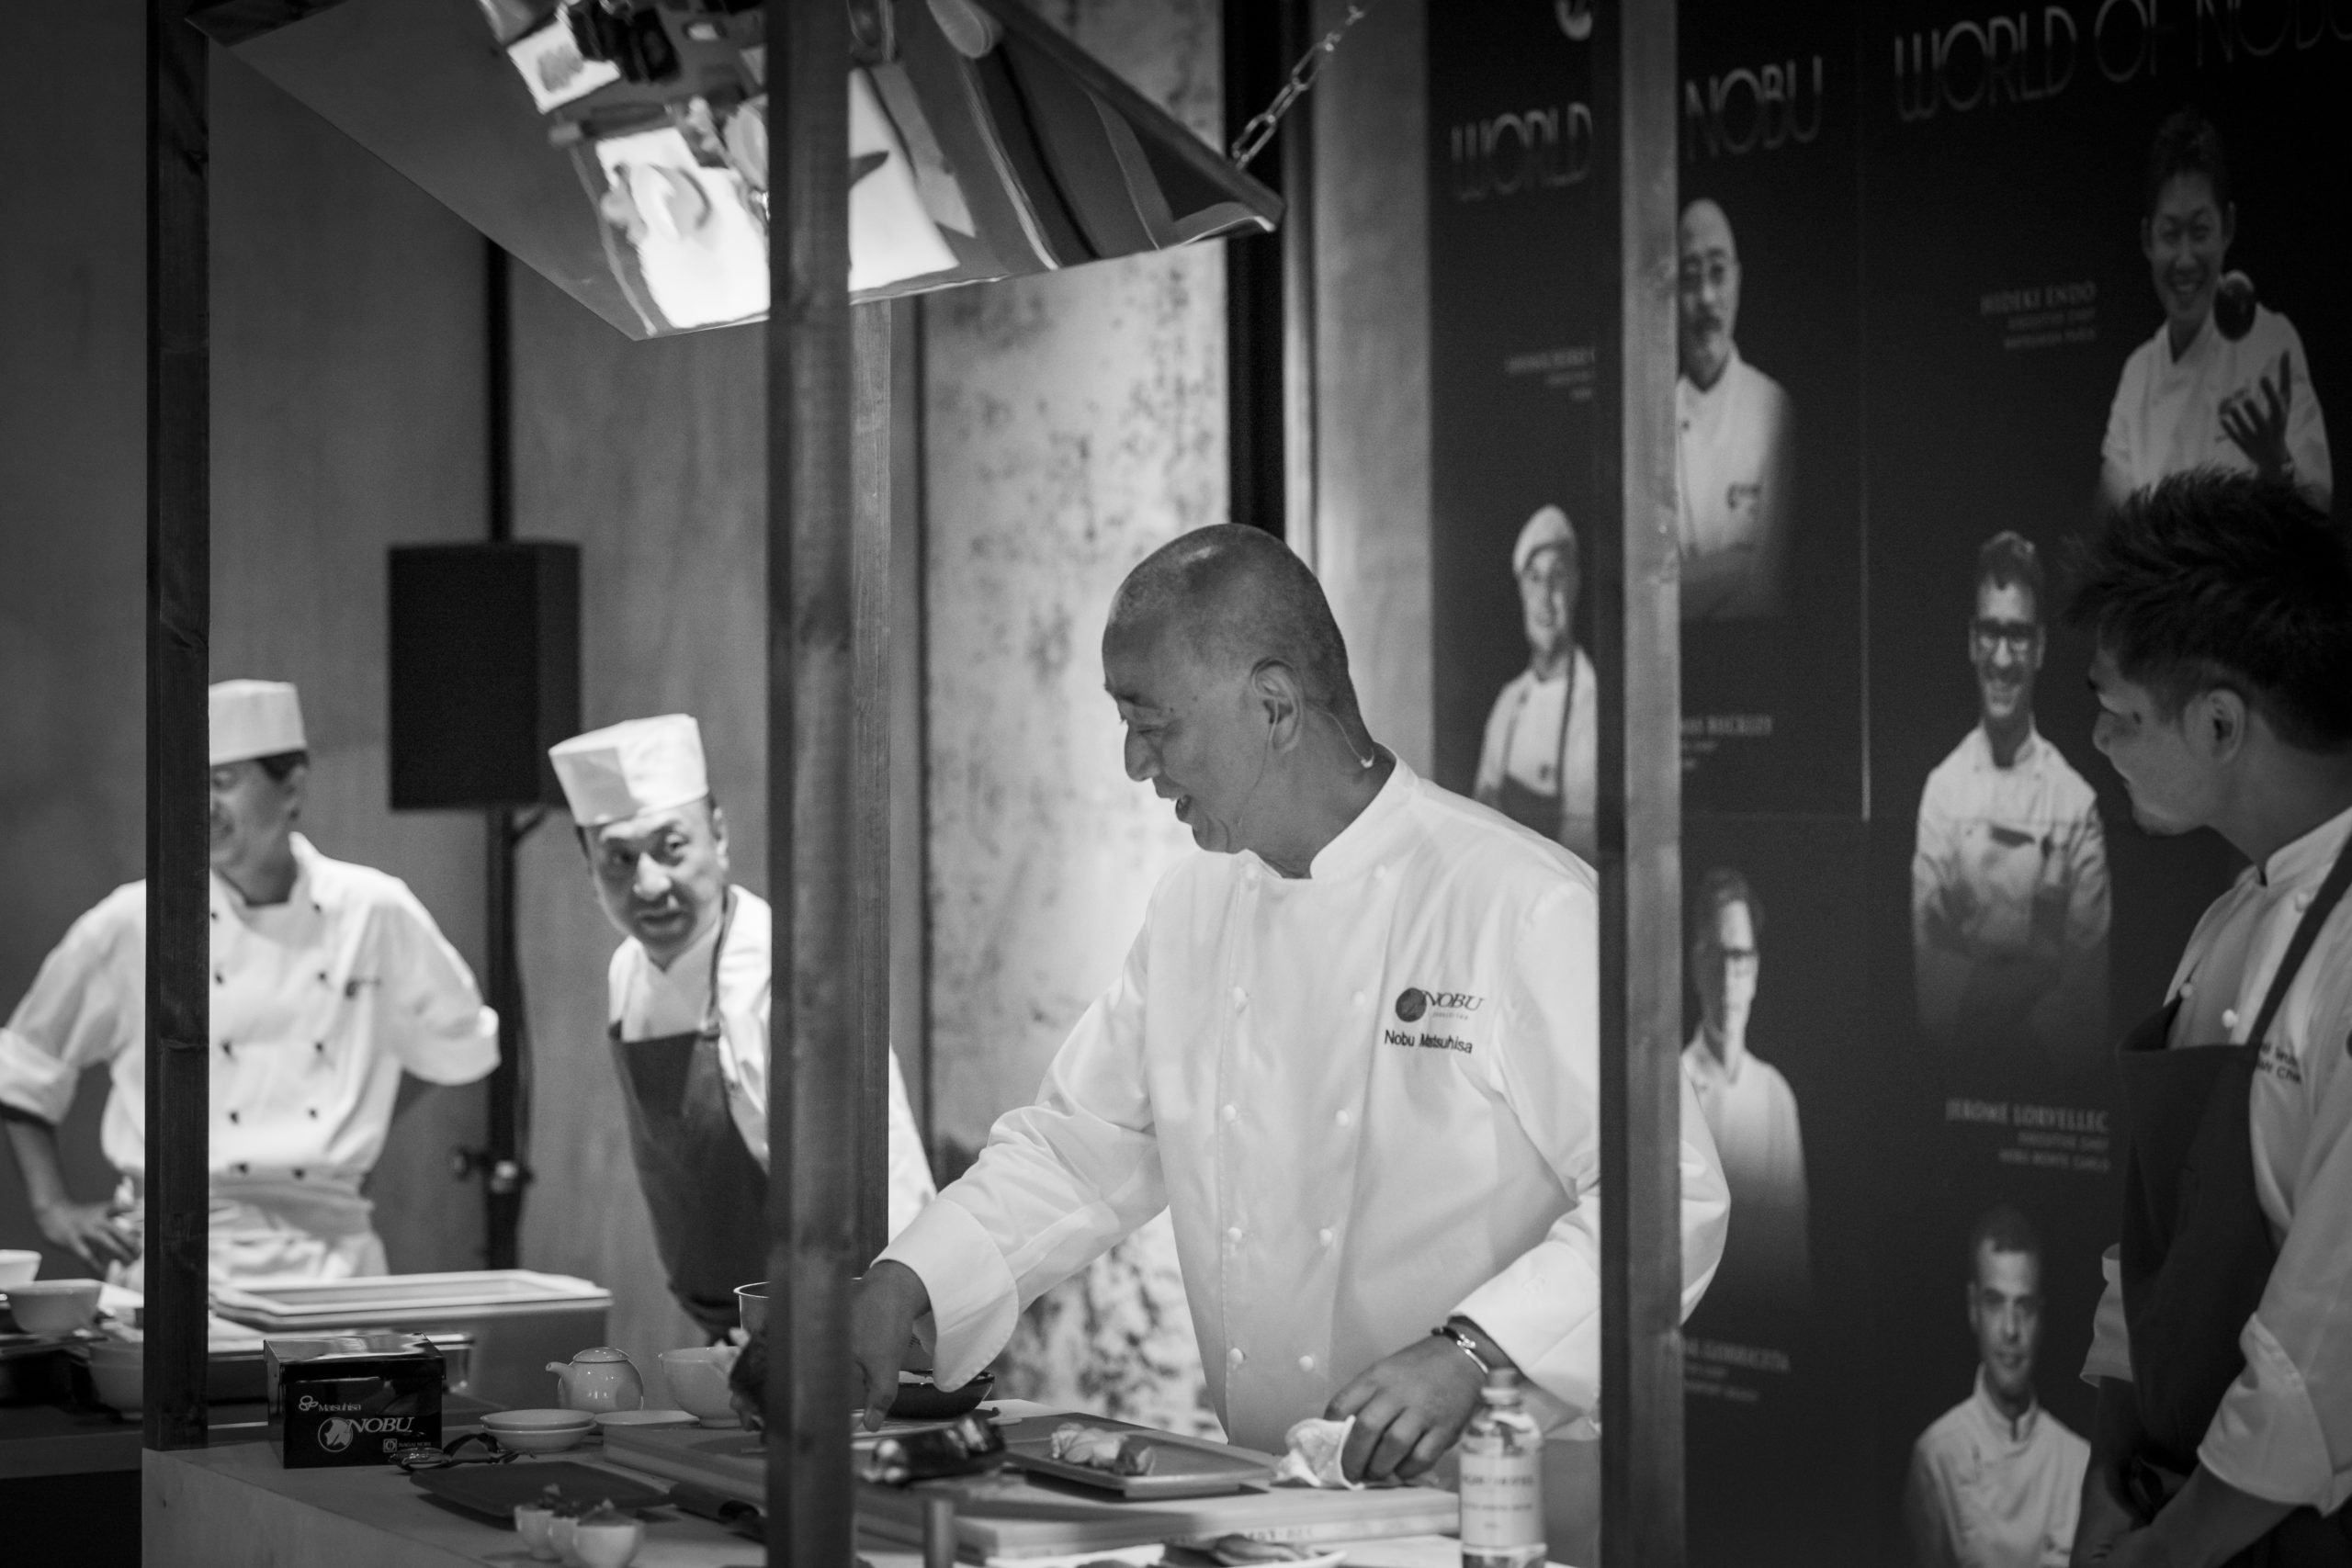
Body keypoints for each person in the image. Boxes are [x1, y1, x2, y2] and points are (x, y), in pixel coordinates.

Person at [846, 525, 1729, 1506]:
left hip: (1495, 1504)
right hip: (1277, 1501)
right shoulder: (1193, 907)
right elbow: (1076, 1151)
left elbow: (1665, 1199)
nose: (1135, 762)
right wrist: (903, 1285)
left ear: (1272, 705)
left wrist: (1477, 1352)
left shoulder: (1521, 903)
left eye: (1152, 722)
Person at [2065, 470, 2352, 1566]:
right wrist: (2107, 1472)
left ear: (2222, 722)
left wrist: (2171, 1548)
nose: (2096, 737)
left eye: (2120, 711)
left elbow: (2323, 1341)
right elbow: (2155, 1246)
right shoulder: (2230, 914)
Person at [0, 680, 498, 1285]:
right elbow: (23, 1067)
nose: (201, 802)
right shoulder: (135, 921)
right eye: (191, 781)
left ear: (292, 788)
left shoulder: (373, 910)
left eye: (223, 780)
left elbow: (459, 1041)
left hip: (332, 1261)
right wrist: (53, 1208)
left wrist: (356, 1117)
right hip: (172, 1254)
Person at [549, 714, 934, 1339]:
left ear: (719, 837)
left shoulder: (787, 977)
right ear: (589, 869)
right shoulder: (626, 968)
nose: (648, 884)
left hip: (830, 1330)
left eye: (670, 847)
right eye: (618, 858)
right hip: (724, 1330)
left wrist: (896, 1324)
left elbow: (885, 1178)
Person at [1913, 532, 2109, 1071]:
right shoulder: (1942, 792)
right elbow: (1931, 1001)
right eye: (1992, 633)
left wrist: (1973, 984)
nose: (2002, 658)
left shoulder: (2075, 805)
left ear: (2041, 647)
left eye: (2018, 636)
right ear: (1972, 641)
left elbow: (2085, 1014)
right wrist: (2041, 971)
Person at [2099, 109, 2331, 514]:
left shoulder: (2271, 342)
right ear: (2147, 240)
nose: (2185, 259)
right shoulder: (2137, 374)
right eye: (2170, 234)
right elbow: (2113, 523)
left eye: (2200, 231)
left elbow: (2317, 507)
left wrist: (2276, 465)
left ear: (2228, 228)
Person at [1905, 1205, 2090, 1568]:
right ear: (1973, 1309)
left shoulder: (2079, 1463)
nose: (2010, 1329)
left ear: (2041, 1317)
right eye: (1994, 1303)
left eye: (2024, 1306)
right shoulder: (1936, 1458)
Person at [1680, 866, 1808, 1312]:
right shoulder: (1669, 1092)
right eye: (1716, 956)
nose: (1728, 977)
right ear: (1697, 965)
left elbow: (1791, 1252)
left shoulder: (1777, 1097)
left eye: (1740, 958)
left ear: (1754, 969)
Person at [1677, 197, 1796, 622]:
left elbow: (1766, 591)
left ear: (1738, 283)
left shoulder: (1774, 409)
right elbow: (1645, 597)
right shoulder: (1652, 423)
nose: (1706, 297)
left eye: (1717, 273)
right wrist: (1737, 564)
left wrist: (1683, 582)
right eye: (1690, 278)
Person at [1473, 504, 1598, 859]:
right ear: (1521, 592)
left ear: (1575, 585)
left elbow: (1584, 848)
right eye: (1534, 578)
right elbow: (1479, 822)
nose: (1545, 596)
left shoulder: (1596, 704)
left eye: (1557, 576)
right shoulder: (1508, 704)